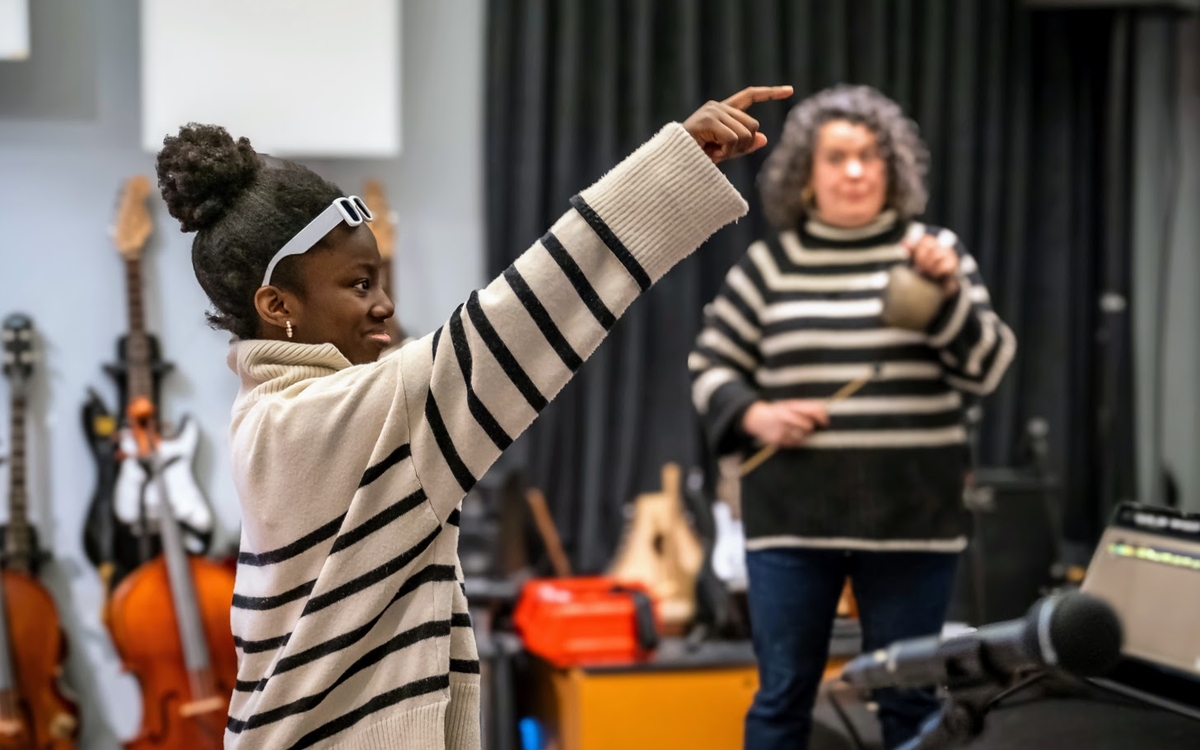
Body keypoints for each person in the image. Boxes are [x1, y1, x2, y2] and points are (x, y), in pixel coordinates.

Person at [154, 85, 791, 750]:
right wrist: (673, 165)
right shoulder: (329, 417)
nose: (383, 304)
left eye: (379, 280)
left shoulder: (268, 416)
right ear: (278, 305)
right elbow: (518, 319)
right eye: (359, 284)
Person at [688, 84, 1016, 750]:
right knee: (782, 696)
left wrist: (947, 296)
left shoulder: (934, 253)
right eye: (837, 158)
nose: (857, 171)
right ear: (806, 175)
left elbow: (987, 369)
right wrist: (757, 415)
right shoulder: (770, 265)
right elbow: (709, 367)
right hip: (791, 519)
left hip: (913, 519)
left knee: (910, 699)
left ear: (893, 168)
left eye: (870, 156)